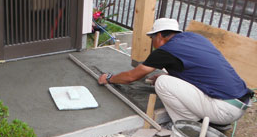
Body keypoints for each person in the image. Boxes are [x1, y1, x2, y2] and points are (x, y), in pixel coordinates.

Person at [97, 18, 253, 127]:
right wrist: (172, 76)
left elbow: (131, 77)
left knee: (162, 83)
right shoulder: (195, 38)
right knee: (166, 78)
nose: (152, 42)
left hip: (224, 110)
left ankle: (185, 126)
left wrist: (109, 78)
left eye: (152, 38)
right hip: (239, 104)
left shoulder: (166, 51)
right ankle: (207, 120)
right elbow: (196, 69)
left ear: (159, 36)